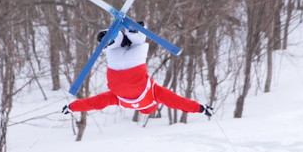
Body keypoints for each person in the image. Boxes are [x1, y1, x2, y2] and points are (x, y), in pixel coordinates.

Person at [62, 23, 214, 117]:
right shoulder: (121, 101)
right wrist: (72, 107)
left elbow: (177, 102)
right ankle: (112, 39)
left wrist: (200, 108)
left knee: (139, 45)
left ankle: (135, 33)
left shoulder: (154, 94)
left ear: (153, 104)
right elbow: (95, 103)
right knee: (115, 48)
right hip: (114, 67)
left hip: (135, 64)